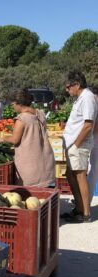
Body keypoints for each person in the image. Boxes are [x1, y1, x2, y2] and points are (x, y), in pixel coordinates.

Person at [0, 89, 55, 187]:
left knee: (31, 196)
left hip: (31, 164)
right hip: (46, 162)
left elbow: (15, 140)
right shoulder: (40, 114)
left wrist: (3, 138)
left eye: (13, 104)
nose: (13, 107)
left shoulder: (22, 119)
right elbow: (35, 112)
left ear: (18, 104)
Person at [61, 71, 97, 223]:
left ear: (77, 84)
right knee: (71, 174)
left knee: (80, 176)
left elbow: (88, 125)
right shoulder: (81, 98)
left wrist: (76, 144)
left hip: (79, 145)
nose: (67, 90)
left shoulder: (87, 98)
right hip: (74, 144)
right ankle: (79, 208)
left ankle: (86, 214)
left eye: (69, 87)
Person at [87, 86, 98, 204]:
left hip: (95, 140)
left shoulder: (94, 102)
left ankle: (86, 202)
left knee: (92, 171)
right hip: (94, 140)